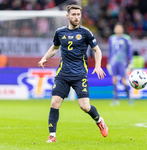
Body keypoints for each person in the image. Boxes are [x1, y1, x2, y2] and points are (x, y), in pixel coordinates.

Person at [38, 4, 108, 143]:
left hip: (79, 75)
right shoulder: (60, 32)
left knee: (84, 106)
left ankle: (99, 120)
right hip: (63, 74)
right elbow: (54, 48)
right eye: (74, 14)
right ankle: (52, 136)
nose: (76, 17)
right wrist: (44, 58)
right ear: (68, 16)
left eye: (78, 15)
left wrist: (98, 66)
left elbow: (97, 50)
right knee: (54, 103)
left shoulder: (85, 33)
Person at [107, 23, 132, 105]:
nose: (118, 29)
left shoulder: (126, 38)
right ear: (114, 30)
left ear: (122, 29)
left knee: (123, 80)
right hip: (113, 62)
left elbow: (129, 51)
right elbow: (110, 51)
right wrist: (108, 62)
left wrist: (130, 62)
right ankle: (115, 99)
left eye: (119, 28)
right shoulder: (111, 38)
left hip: (122, 62)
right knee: (114, 79)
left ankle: (129, 98)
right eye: (116, 28)